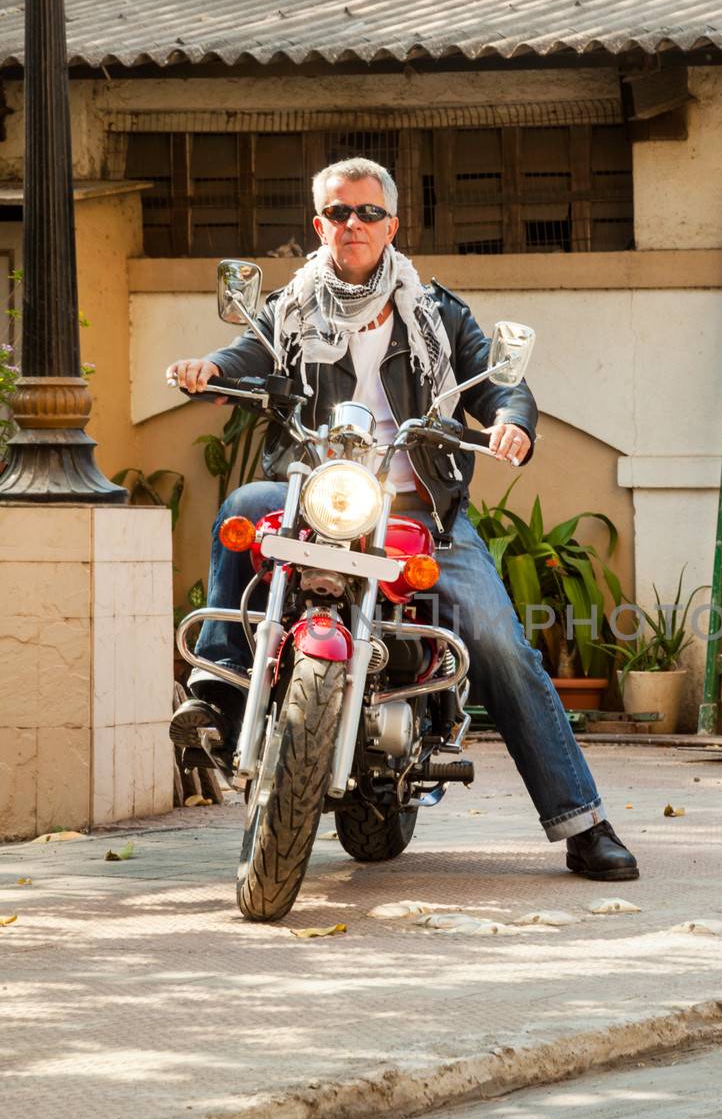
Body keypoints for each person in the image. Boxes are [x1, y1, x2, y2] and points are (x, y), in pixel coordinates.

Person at [166, 156, 638, 882]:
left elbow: (498, 381)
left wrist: (510, 422)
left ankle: (583, 822)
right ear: (317, 223)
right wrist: (207, 370)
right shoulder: (291, 306)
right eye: (338, 213)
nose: (352, 225)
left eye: (367, 213)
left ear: (393, 224)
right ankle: (222, 690)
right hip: (315, 495)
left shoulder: (436, 312)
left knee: (498, 644)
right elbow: (244, 355)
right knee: (239, 512)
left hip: (419, 509)